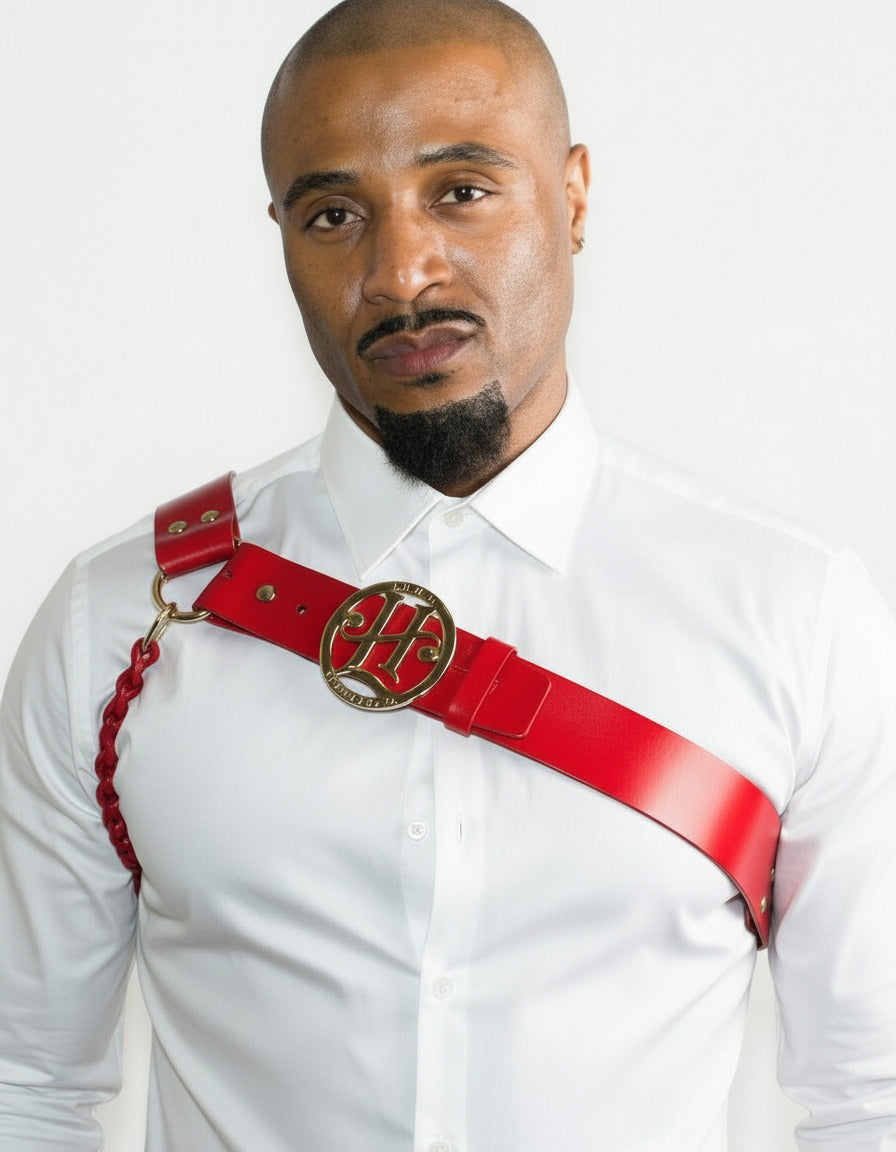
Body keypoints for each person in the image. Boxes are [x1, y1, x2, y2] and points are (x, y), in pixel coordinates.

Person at [1, 0, 894, 1149]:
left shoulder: (791, 612)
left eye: (461, 191)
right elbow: (24, 1084)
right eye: (333, 215)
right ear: (278, 235)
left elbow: (870, 1095)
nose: (400, 271)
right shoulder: (120, 619)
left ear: (572, 195)